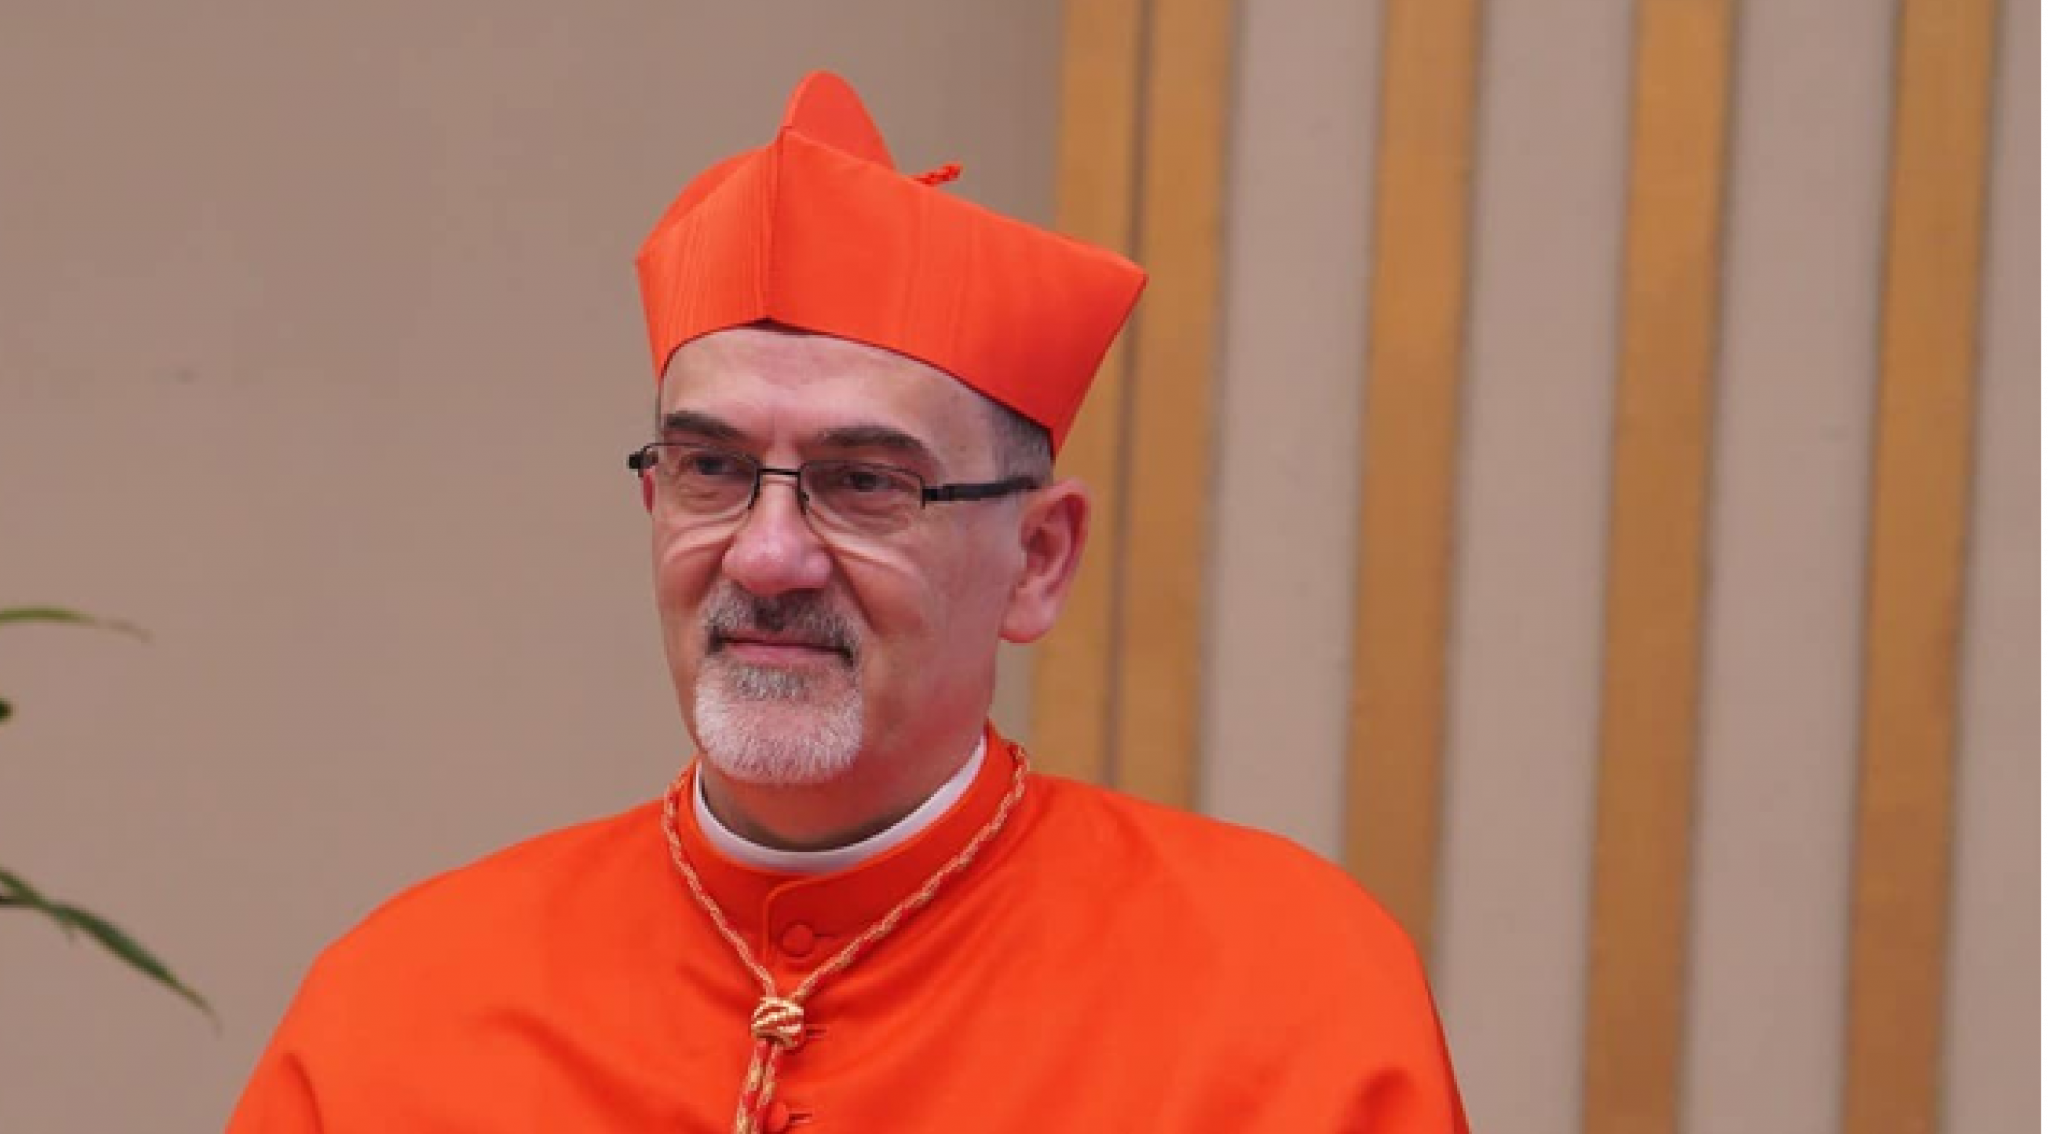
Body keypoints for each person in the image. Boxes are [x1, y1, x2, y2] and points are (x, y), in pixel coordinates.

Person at [228, 71, 1468, 1133]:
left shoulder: (1285, 991)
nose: (767, 556)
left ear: (1037, 558)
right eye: (712, 468)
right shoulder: (401, 1002)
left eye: (864, 483)